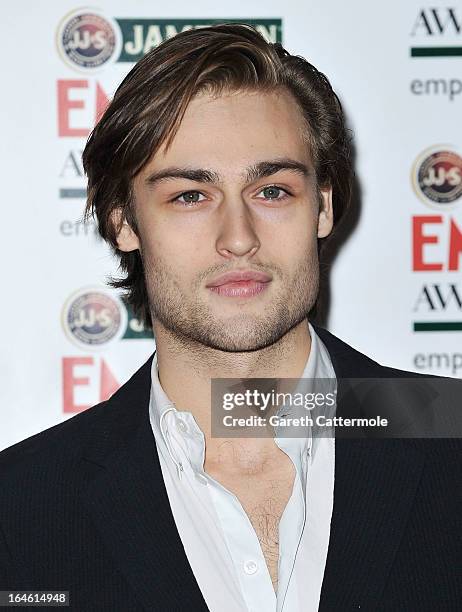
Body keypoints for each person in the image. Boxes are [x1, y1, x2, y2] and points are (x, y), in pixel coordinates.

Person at [0, 24, 460, 612]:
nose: (238, 239)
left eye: (272, 190)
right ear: (123, 222)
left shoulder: (452, 434)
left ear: (323, 207)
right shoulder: (22, 512)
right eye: (190, 195)